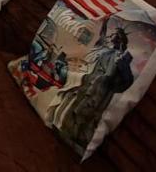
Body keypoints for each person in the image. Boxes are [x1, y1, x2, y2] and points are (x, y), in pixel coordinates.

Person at [52, 19, 134, 154]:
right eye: (110, 34)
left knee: (82, 120)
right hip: (80, 90)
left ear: (119, 39)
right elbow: (83, 68)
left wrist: (123, 68)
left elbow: (124, 83)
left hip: (95, 97)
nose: (109, 36)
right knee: (69, 113)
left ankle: (74, 141)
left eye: (113, 35)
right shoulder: (100, 51)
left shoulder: (119, 58)